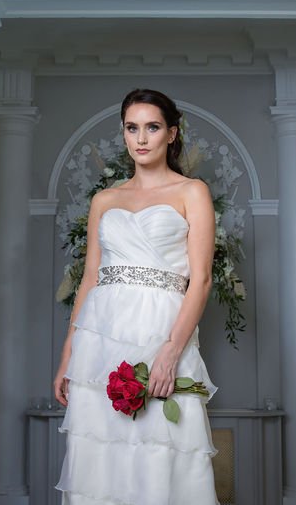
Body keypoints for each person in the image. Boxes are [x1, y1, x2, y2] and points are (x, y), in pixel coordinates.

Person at [53, 89, 219, 504]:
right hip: (101, 339)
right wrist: (68, 357)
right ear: (124, 134)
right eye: (132, 128)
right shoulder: (104, 200)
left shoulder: (191, 192)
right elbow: (90, 279)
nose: (141, 138)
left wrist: (170, 351)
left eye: (152, 127)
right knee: (102, 458)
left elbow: (199, 281)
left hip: (161, 332)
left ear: (171, 134)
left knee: (163, 453)